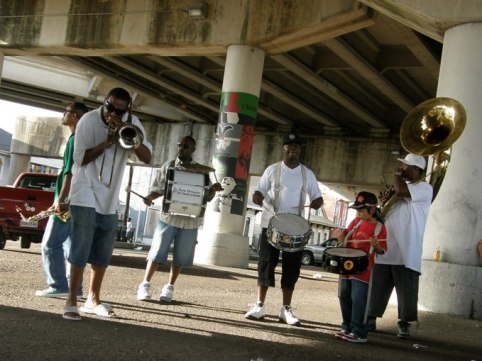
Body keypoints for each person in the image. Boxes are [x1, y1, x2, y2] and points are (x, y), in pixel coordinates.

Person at [62, 87, 152, 320]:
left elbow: (147, 156)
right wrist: (107, 142)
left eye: (120, 111)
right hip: (85, 191)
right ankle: (71, 299)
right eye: (110, 108)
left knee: (103, 250)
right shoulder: (88, 121)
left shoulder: (131, 122)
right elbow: (80, 159)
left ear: (127, 109)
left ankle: (93, 299)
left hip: (110, 197)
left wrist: (125, 130)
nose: (113, 113)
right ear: (104, 103)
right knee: (81, 246)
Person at [245, 133, 323, 326]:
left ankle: (285, 310)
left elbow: (318, 197)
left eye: (296, 146)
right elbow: (258, 192)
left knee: (292, 269)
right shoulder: (272, 170)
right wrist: (257, 197)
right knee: (265, 264)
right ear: (284, 149)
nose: (292, 149)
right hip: (270, 224)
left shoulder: (307, 174)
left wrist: (316, 202)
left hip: (296, 228)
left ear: (299, 150)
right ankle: (259, 305)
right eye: (289, 146)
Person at [136, 136, 222, 303]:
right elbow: (159, 189)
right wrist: (149, 197)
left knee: (180, 257)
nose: (182, 149)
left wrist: (214, 190)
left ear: (193, 150)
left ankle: (169, 287)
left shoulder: (202, 170)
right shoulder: (168, 166)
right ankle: (145, 284)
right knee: (156, 253)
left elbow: (207, 197)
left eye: (186, 146)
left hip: (190, 222)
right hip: (168, 218)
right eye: (180, 145)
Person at [367, 153, 432, 339]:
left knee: (407, 291)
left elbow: (403, 192)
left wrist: (397, 175)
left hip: (407, 249)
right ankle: (370, 318)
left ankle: (404, 324)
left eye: (406, 167)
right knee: (378, 286)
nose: (402, 169)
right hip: (387, 247)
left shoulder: (425, 188)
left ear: (416, 170)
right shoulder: (401, 187)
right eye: (401, 166)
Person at [35, 102, 89, 297]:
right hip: (78, 200)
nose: (62, 114)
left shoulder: (74, 140)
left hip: (68, 200)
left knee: (50, 243)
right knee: (70, 245)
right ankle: (76, 288)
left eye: (65, 112)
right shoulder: (83, 139)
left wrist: (62, 199)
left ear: (74, 116)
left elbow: (69, 173)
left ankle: (58, 286)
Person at [332, 191, 387, 344]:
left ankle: (360, 332)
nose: (359, 213)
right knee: (344, 296)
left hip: (363, 270)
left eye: (361, 210)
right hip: (346, 267)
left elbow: (382, 250)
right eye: (357, 210)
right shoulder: (355, 222)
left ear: (372, 209)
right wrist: (339, 236)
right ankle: (347, 327)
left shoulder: (379, 227)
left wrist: (376, 246)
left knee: (359, 300)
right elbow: (344, 236)